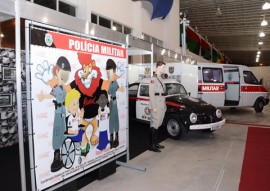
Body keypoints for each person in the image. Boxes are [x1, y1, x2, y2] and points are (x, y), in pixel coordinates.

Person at [37, 56, 71, 172]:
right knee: (57, 132)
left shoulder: (65, 89)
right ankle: (56, 155)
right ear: (57, 72)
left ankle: (62, 153)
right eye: (63, 75)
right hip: (58, 113)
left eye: (66, 76)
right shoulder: (56, 88)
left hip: (63, 113)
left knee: (63, 132)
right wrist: (43, 96)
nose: (64, 78)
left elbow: (69, 99)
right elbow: (50, 95)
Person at [149, 61, 167, 152]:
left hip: (161, 104)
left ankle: (156, 143)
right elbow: (151, 94)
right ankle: (151, 145)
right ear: (158, 67)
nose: (164, 69)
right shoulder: (153, 79)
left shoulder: (160, 78)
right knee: (155, 124)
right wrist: (154, 106)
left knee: (158, 124)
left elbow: (163, 93)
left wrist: (164, 105)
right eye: (163, 67)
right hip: (156, 104)